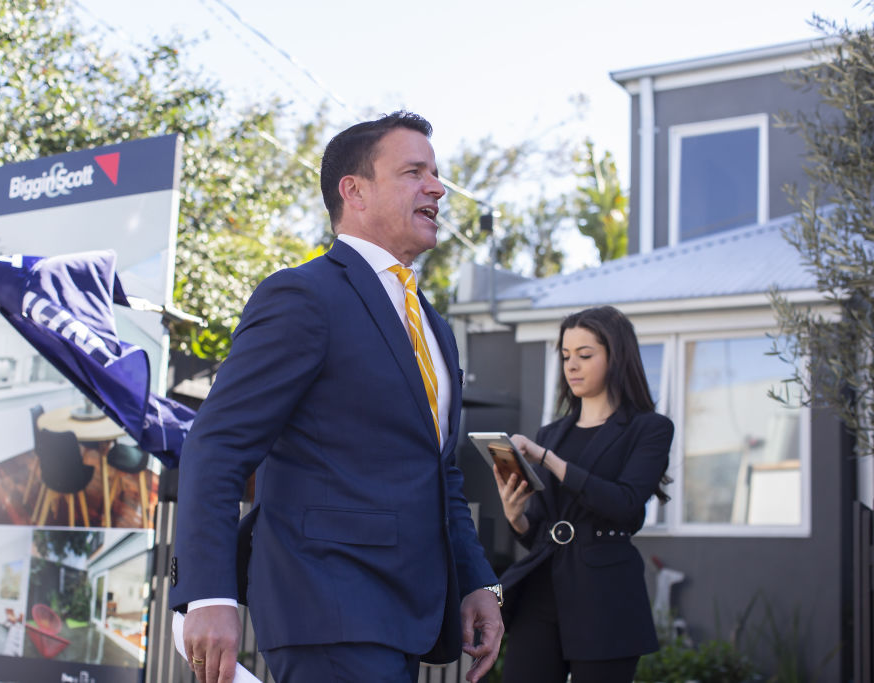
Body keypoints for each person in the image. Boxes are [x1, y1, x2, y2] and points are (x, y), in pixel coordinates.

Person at [169, 111, 504, 683]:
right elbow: (218, 447)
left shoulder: (436, 329)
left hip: (410, 617)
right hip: (326, 607)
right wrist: (206, 594)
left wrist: (476, 581)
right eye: (414, 172)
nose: (437, 187)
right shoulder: (301, 296)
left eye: (437, 173)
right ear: (355, 191)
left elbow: (441, 473)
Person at [492, 305, 673, 683]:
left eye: (585, 355)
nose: (572, 365)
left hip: (606, 596)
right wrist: (516, 516)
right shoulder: (552, 433)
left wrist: (550, 461)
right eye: (565, 356)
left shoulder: (649, 429)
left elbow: (625, 504)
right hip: (542, 590)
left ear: (616, 356)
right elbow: (538, 530)